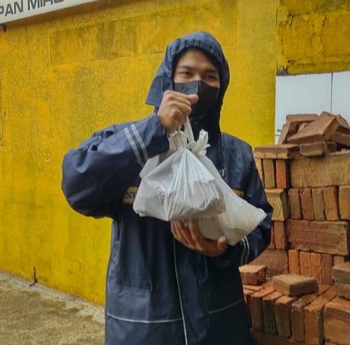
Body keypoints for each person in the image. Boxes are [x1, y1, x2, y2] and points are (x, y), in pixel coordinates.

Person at [61, 31, 272, 345]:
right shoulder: (129, 142)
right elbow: (78, 185)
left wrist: (224, 250)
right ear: (167, 81)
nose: (198, 83)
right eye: (186, 73)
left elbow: (261, 227)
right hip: (146, 329)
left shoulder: (236, 155)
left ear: (221, 86)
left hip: (219, 325)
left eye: (209, 76)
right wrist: (155, 130)